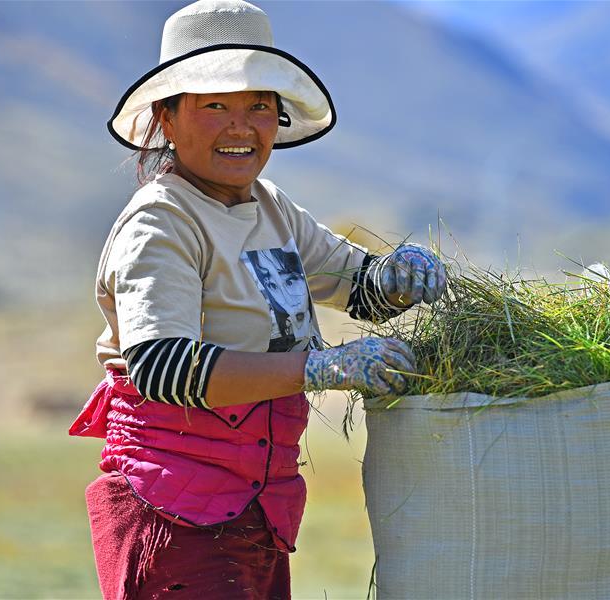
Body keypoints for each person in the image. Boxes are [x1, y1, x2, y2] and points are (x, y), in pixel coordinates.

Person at [68, 1, 447, 599]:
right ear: (167, 118)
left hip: (254, 505)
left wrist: (400, 274)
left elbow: (358, 286)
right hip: (175, 505)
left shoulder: (271, 208)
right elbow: (162, 367)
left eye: (258, 106)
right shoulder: (160, 222)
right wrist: (320, 368)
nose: (240, 127)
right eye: (214, 105)